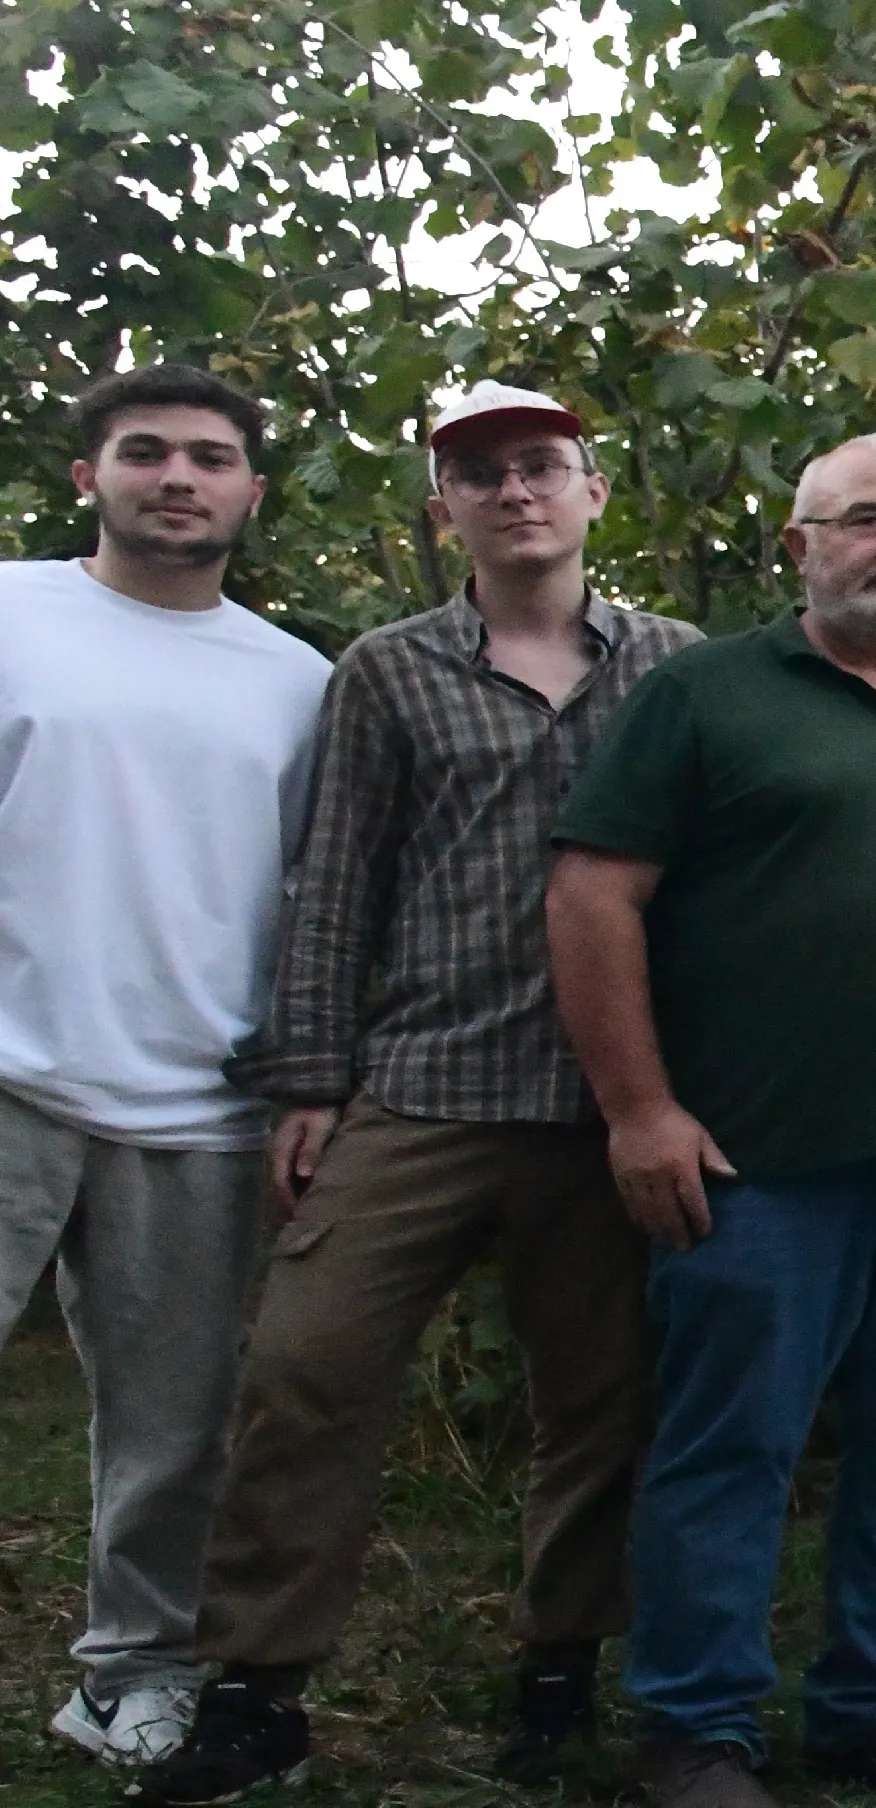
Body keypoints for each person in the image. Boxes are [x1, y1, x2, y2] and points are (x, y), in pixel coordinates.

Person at [115, 382, 701, 1803]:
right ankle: (258, 1689)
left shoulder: (681, 669)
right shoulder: (387, 669)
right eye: (481, 474)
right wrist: (311, 1076)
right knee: (306, 1373)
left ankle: (559, 1669)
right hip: (424, 1088)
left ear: (592, 492)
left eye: (542, 467)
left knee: (600, 1404)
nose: (516, 493)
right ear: (445, 507)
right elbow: (334, 886)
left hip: (600, 1104)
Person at [547, 433, 876, 1808]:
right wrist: (638, 1109)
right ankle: (695, 1728)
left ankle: (874, 1711)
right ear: (801, 546)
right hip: (760, 1159)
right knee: (734, 1445)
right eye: (870, 521)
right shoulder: (707, 695)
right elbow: (595, 898)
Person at [0, 365, 330, 1769]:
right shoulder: (12, 610)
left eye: (210, 458)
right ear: (91, 477)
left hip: (200, 1107)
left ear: (251, 492)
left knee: (174, 1432)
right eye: (146, 453)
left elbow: (322, 897)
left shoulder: (304, 681)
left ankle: (130, 1674)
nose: (177, 478)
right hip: (8, 1077)